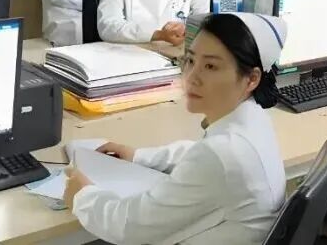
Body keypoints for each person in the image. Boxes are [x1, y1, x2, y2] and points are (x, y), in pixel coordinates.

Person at [65, 12, 288, 243]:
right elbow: (197, 154)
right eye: (190, 61)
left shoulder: (222, 154)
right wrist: (139, 156)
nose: (192, 77)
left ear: (252, 79)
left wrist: (82, 197)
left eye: (211, 66)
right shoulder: (254, 118)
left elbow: (131, 226)